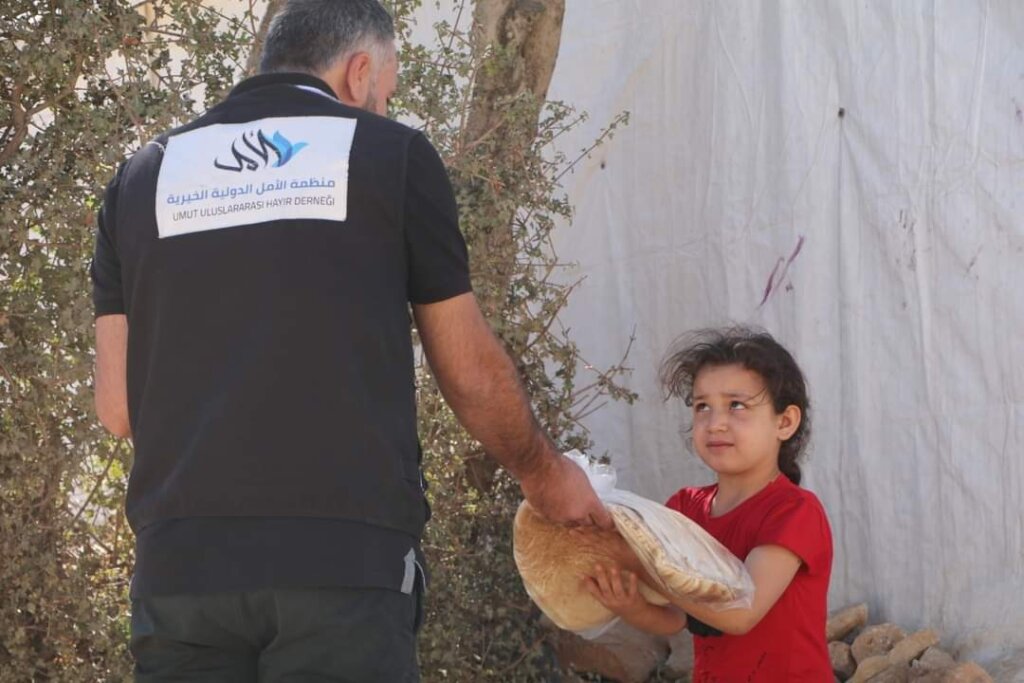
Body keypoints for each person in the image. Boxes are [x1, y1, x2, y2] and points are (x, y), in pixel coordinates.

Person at [90, 1, 611, 680]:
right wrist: (547, 475)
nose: (383, 112)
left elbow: (117, 409)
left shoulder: (140, 178)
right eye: (386, 95)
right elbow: (468, 369)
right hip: (340, 569)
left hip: (180, 573)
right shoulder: (390, 155)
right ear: (359, 70)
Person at [582, 326, 833, 681]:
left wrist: (652, 570)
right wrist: (631, 606)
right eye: (702, 406)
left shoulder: (794, 512)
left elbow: (740, 613)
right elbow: (675, 618)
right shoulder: (685, 509)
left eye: (736, 405)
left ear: (785, 422)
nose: (715, 423)